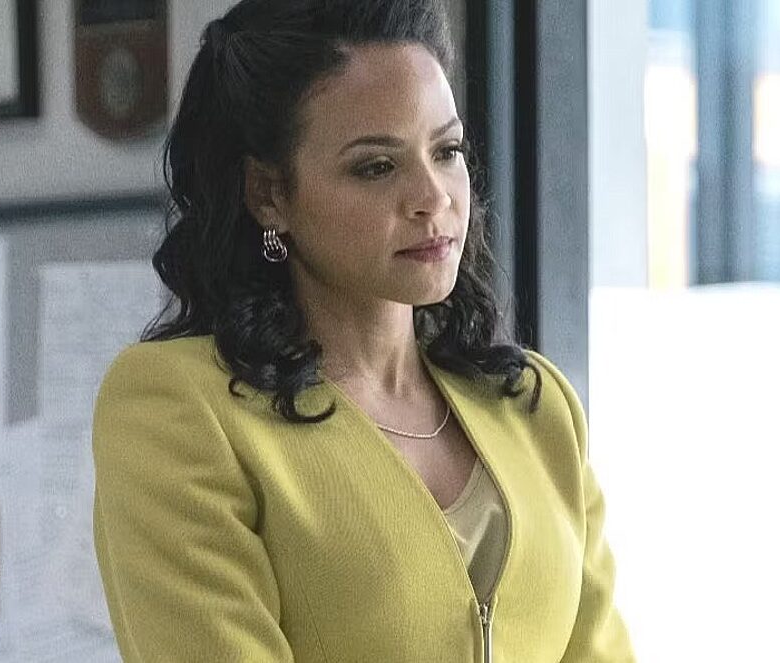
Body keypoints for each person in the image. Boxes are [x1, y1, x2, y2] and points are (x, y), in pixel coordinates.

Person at [91, 0, 635, 660]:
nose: (434, 197)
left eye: (447, 151)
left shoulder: (535, 405)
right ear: (269, 194)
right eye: (377, 166)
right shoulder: (178, 407)